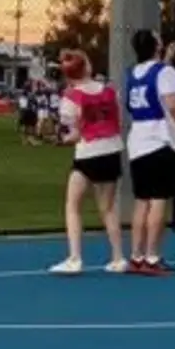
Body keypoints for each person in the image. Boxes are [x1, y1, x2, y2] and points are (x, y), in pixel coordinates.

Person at [123, 30, 175, 275]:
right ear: (156, 45)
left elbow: (153, 78)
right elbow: (173, 103)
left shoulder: (133, 73)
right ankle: (153, 258)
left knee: (141, 201)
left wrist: (168, 58)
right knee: (158, 200)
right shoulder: (166, 73)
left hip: (138, 142)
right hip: (160, 141)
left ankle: (136, 256)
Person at [51, 50, 128, 275]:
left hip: (88, 152)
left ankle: (75, 258)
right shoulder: (109, 91)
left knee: (72, 204)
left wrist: (63, 140)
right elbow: (116, 120)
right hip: (112, 149)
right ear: (87, 67)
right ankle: (118, 257)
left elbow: (75, 134)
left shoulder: (71, 97)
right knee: (108, 208)